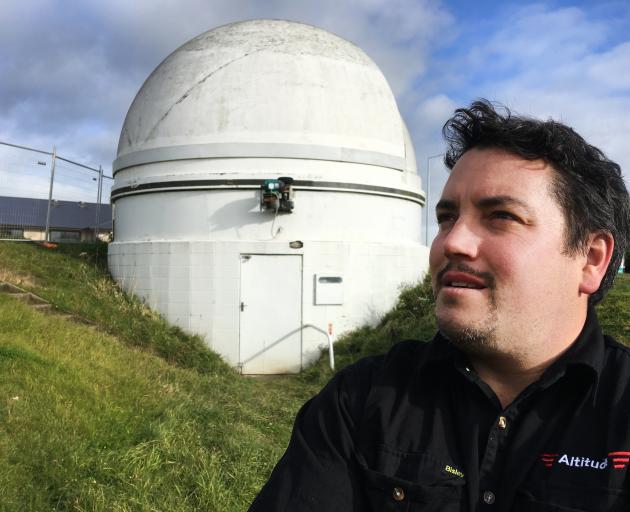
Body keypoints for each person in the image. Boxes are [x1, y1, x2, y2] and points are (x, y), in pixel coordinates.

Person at [249, 100, 630, 511]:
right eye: (447, 218)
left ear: (591, 259)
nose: (451, 242)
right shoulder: (359, 402)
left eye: (501, 216)